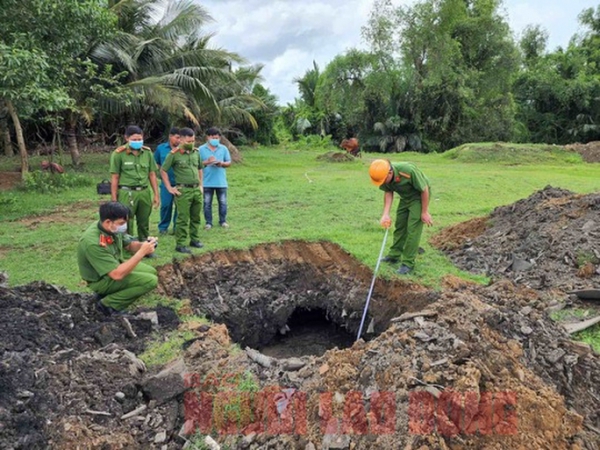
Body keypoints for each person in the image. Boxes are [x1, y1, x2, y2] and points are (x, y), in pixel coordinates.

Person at [77, 201, 158, 315]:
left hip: (115, 265)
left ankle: (110, 294)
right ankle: (108, 305)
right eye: (122, 223)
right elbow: (116, 275)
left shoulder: (111, 227)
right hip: (101, 280)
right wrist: (141, 253)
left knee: (151, 271)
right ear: (108, 222)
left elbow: (129, 245)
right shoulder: (93, 243)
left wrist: (146, 245)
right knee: (150, 281)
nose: (124, 226)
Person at [369, 159, 433, 275]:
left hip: (419, 197)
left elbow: (424, 190)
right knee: (400, 226)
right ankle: (394, 255)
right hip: (405, 198)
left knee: (413, 230)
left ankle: (408, 263)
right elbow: (388, 192)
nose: (383, 183)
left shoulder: (408, 171)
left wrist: (424, 212)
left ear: (390, 172)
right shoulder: (384, 175)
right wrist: (386, 214)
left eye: (384, 180)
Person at [109, 125, 160, 256]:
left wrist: (156, 194)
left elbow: (152, 174)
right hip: (127, 192)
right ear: (126, 138)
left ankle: (146, 247)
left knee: (144, 221)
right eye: (134, 139)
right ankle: (128, 247)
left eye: (140, 139)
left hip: (144, 192)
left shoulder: (147, 153)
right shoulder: (118, 154)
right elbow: (115, 177)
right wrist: (114, 199)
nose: (138, 141)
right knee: (126, 221)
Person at [160, 127, 204, 254]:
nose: (191, 144)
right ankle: (180, 243)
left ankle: (194, 239)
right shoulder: (174, 154)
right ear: (181, 140)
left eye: (193, 141)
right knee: (183, 218)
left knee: (196, 217)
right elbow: (163, 170)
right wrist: (169, 187)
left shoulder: (196, 153)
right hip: (183, 190)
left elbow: (200, 168)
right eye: (188, 141)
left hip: (196, 190)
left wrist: (201, 185)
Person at [199, 127, 231, 229]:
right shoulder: (200, 149)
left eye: (217, 137)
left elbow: (228, 162)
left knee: (223, 202)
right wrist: (208, 162)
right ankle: (208, 222)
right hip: (206, 181)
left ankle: (223, 221)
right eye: (213, 137)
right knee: (207, 203)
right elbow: (197, 164)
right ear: (207, 137)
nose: (215, 139)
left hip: (221, 182)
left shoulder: (223, 148)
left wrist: (221, 163)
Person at [154, 127, 180, 235]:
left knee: (179, 206)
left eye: (180, 138)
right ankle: (163, 227)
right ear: (170, 136)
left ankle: (177, 227)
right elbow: (157, 164)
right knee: (166, 205)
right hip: (166, 182)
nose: (178, 140)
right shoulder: (161, 148)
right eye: (177, 137)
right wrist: (161, 175)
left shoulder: (184, 149)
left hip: (180, 182)